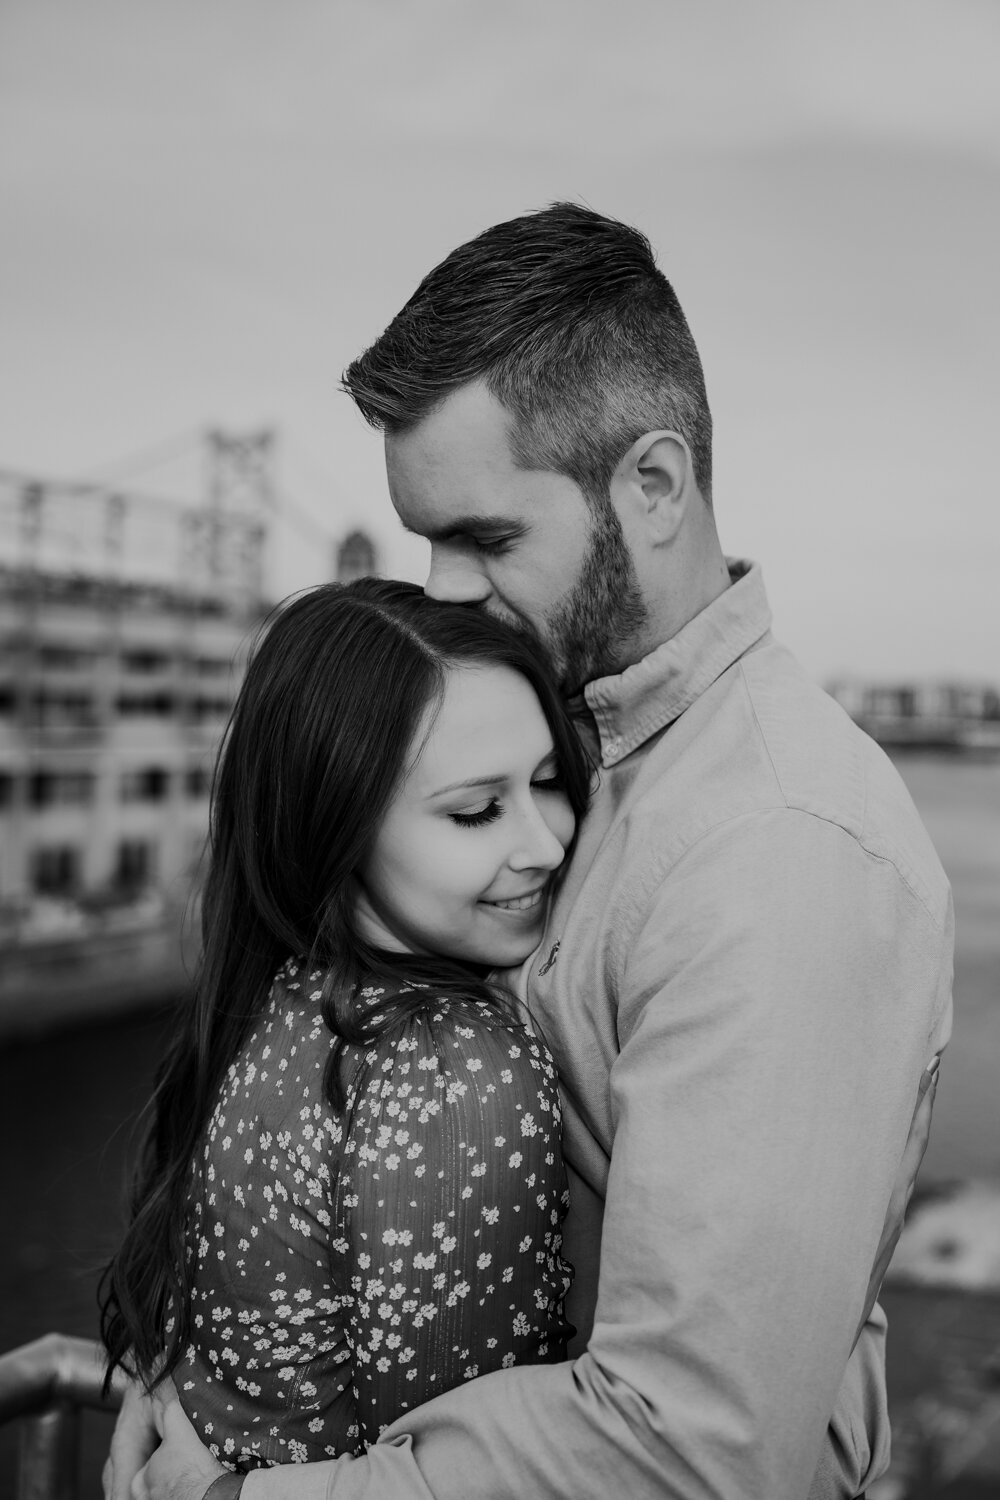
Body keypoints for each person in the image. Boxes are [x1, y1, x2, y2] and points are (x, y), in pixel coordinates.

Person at [109, 204, 952, 1500]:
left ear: (653, 488)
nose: (441, 591)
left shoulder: (778, 852)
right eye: (424, 539)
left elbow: (695, 1454)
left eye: (487, 538)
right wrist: (206, 1382)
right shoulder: (558, 732)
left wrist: (249, 1495)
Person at [100, 578, 594, 1468]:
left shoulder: (285, 994)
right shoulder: (456, 1069)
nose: (545, 843)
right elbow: (461, 1476)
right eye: (476, 809)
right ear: (337, 826)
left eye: (550, 782)